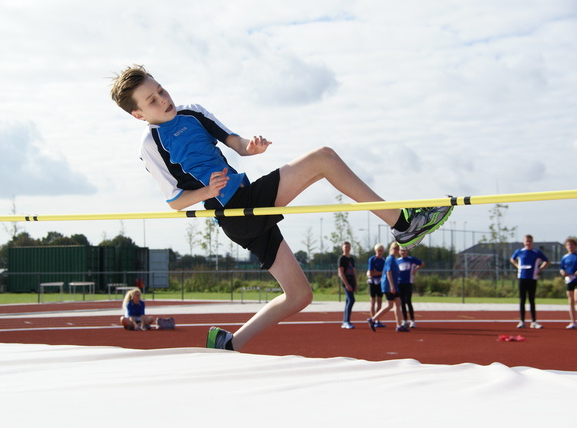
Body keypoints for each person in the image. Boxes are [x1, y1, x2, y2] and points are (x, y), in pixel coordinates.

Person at [110, 65, 452, 350]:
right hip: (234, 210)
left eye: (162, 90)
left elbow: (237, 144)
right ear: (139, 114)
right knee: (323, 158)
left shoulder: (193, 112)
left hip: (247, 206)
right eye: (152, 101)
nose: (163, 100)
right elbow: (173, 201)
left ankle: (232, 343)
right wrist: (205, 190)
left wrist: (252, 147)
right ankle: (403, 224)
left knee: (300, 294)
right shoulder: (150, 143)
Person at [509, 234, 550, 329]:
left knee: (532, 300)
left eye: (530, 241)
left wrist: (540, 269)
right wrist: (517, 266)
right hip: (522, 277)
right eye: (526, 241)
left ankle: (534, 321)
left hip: (532, 278)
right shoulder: (519, 251)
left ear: (532, 242)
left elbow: (547, 260)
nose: (528, 243)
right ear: (523, 242)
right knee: (522, 300)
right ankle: (522, 321)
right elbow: (512, 259)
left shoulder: (536, 252)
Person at [367, 241, 409, 332]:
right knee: (390, 305)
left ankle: (399, 325)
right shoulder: (390, 259)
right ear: (391, 249)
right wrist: (392, 286)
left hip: (394, 284)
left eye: (397, 249)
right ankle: (373, 319)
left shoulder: (394, 259)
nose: (396, 251)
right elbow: (388, 272)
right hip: (389, 285)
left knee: (398, 304)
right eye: (394, 249)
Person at [397, 248, 424, 328]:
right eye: (401, 250)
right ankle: (405, 320)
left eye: (404, 250)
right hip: (399, 283)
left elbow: (422, 263)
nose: (403, 252)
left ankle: (412, 321)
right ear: (399, 251)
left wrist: (415, 270)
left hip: (408, 283)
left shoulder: (411, 259)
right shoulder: (397, 261)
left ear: (407, 251)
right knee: (402, 302)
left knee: (408, 301)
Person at [338, 242, 357, 329]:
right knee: (351, 300)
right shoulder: (341, 258)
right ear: (342, 248)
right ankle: (346, 321)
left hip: (352, 280)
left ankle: (345, 321)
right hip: (346, 281)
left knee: (348, 301)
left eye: (348, 247)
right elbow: (341, 273)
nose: (347, 248)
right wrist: (346, 284)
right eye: (345, 247)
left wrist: (356, 283)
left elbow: (353, 271)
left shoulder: (351, 259)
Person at [366, 243, 386, 328]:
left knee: (379, 301)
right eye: (378, 251)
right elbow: (371, 273)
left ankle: (377, 320)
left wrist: (377, 273)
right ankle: (372, 319)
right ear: (375, 251)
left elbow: (385, 272)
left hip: (380, 282)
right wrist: (379, 273)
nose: (380, 252)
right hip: (372, 282)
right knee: (373, 301)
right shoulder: (372, 260)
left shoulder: (384, 260)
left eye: (381, 251)